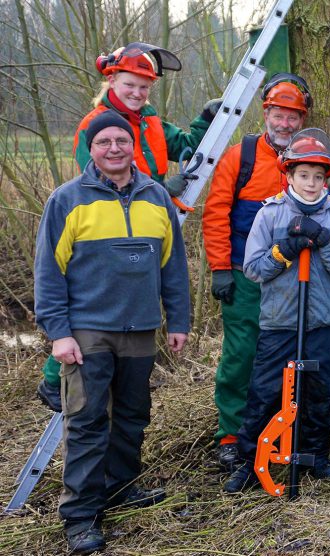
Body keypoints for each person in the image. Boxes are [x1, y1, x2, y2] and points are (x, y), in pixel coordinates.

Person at [34, 110, 190, 554]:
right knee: (86, 422)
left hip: (141, 329)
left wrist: (177, 321)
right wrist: (57, 332)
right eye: (105, 142)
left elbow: (173, 266)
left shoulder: (156, 196)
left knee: (132, 416)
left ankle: (122, 488)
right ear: (92, 149)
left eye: (122, 140)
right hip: (87, 332)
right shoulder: (67, 199)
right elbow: (48, 272)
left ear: (133, 146)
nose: (115, 148)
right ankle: (81, 516)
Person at [36, 42, 217, 412]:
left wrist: (206, 119)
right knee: (96, 303)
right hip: (104, 229)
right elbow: (103, 175)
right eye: (129, 85)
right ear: (112, 82)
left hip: (146, 225)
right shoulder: (95, 126)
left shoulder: (149, 119)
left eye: (144, 87)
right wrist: (162, 191)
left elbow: (183, 143)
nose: (137, 93)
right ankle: (53, 380)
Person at [223, 129, 330, 493]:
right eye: (303, 175)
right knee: (264, 391)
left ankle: (316, 455)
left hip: (322, 322)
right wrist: (283, 251)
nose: (311, 183)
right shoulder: (270, 214)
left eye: (318, 176)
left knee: (318, 391)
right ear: (289, 175)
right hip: (280, 321)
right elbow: (253, 268)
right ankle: (251, 463)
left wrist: (326, 242)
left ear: (325, 178)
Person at [201, 73, 311, 470]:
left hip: (292, 278)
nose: (285, 124)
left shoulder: (309, 161)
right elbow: (215, 214)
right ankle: (231, 434)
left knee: (287, 354)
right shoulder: (240, 156)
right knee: (242, 353)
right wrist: (219, 269)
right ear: (266, 113)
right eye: (279, 115)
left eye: (293, 117)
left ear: (301, 120)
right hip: (245, 276)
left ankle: (278, 428)